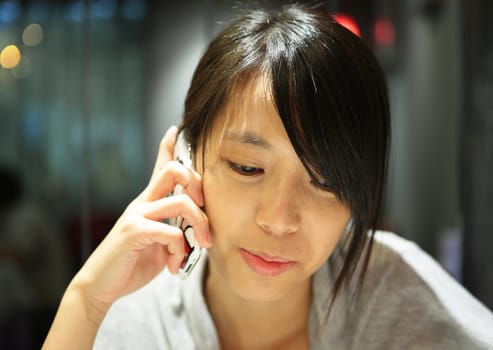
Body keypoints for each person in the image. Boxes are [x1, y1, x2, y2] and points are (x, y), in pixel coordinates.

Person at [42, 4, 493, 350]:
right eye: (247, 168)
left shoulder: (392, 294)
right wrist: (85, 301)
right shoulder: (136, 319)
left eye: (327, 182)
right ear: (185, 157)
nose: (279, 220)